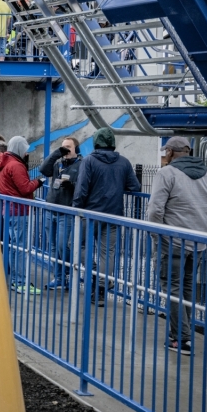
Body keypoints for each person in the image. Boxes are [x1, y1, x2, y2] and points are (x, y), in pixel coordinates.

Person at [145, 137, 207, 355]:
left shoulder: (167, 173)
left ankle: (181, 339)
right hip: (198, 243)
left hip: (171, 242)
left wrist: (156, 235)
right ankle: (183, 334)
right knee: (187, 287)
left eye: (165, 152)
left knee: (172, 289)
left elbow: (155, 210)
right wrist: (206, 232)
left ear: (170, 152)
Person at [72, 127, 141, 306]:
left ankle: (94, 274)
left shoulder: (89, 161)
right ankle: (101, 291)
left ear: (96, 142)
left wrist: (76, 210)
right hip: (113, 215)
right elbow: (135, 187)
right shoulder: (124, 162)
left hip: (89, 213)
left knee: (76, 245)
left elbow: (81, 190)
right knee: (107, 254)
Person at [0, 135, 45, 294]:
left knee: (15, 247)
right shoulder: (16, 165)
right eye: (25, 149)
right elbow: (25, 188)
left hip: (7, 210)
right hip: (20, 211)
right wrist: (39, 182)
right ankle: (22, 282)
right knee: (22, 248)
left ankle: (17, 281)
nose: (26, 153)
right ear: (19, 148)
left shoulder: (1, 163)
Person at [39, 136, 83, 289]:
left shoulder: (81, 164)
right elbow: (43, 170)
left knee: (62, 246)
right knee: (52, 246)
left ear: (76, 149)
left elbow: (83, 186)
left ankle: (72, 274)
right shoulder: (58, 164)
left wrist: (70, 184)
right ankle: (58, 278)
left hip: (66, 211)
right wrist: (57, 153)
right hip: (51, 209)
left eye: (68, 147)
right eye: (63, 146)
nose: (65, 149)